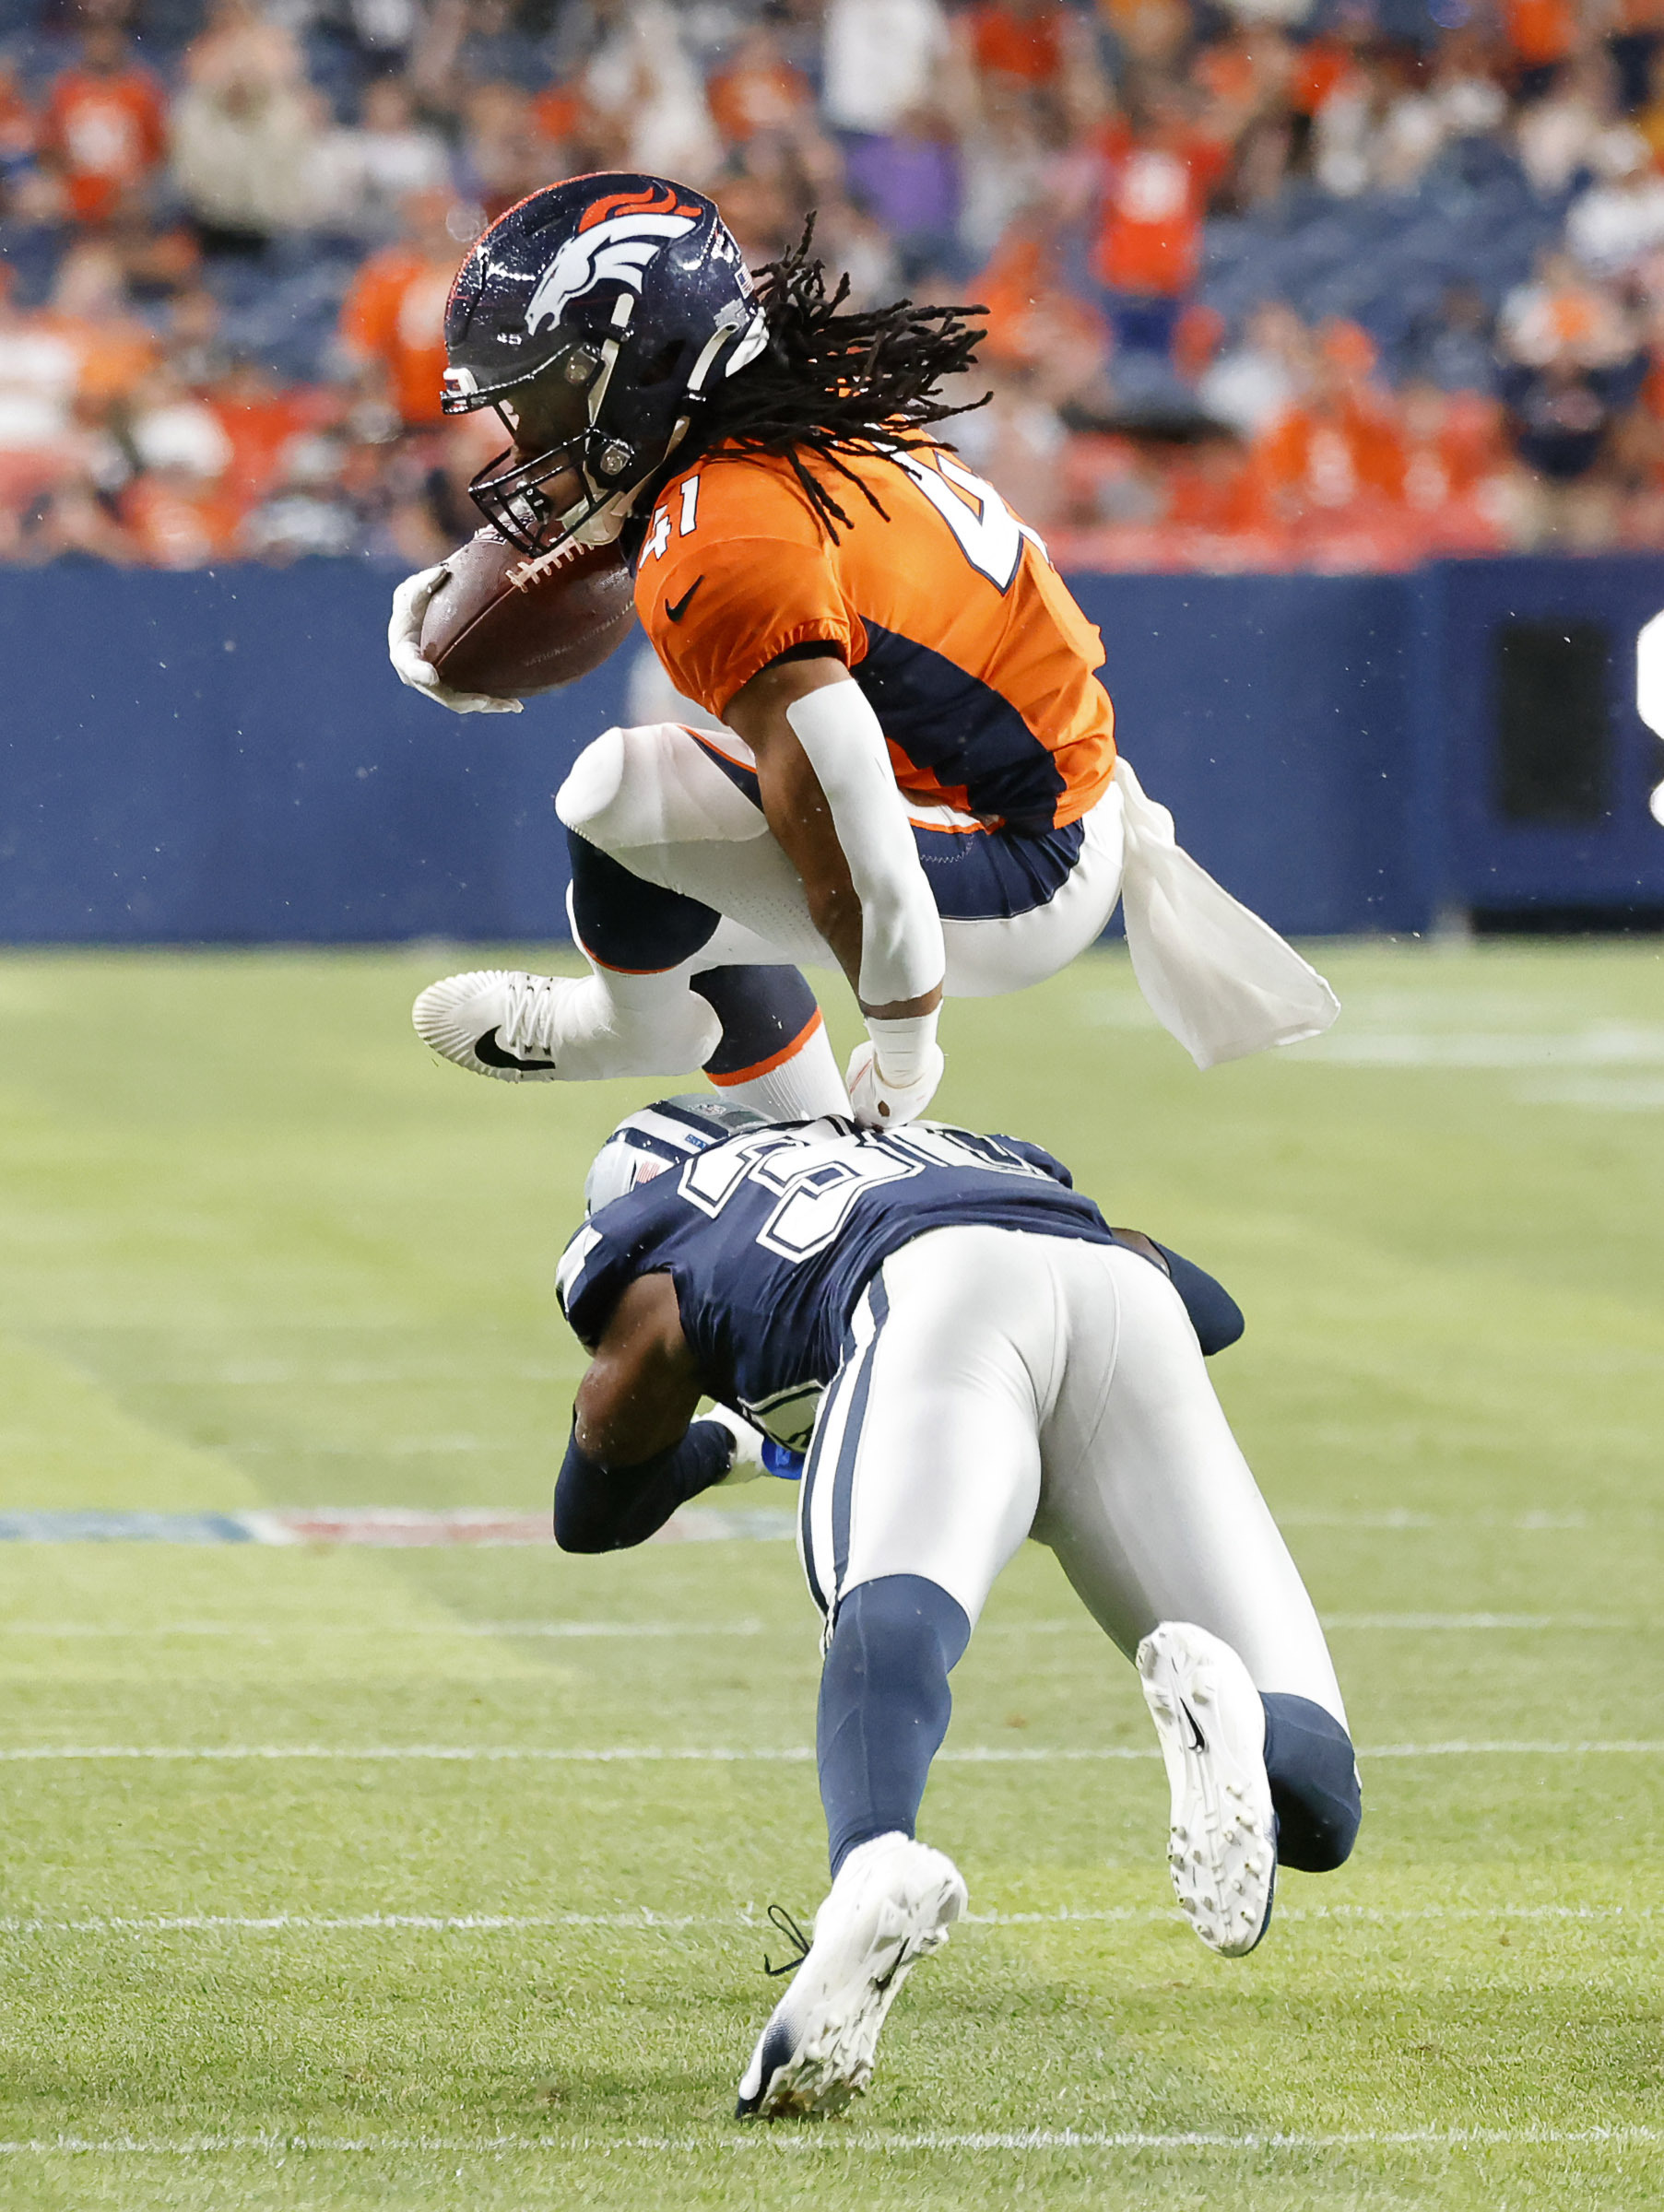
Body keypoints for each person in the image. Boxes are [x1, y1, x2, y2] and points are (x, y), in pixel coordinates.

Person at [389, 171, 1337, 1129]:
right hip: (1025, 781)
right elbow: (708, 535)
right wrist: (468, 591)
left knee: (626, 791)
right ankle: (782, 1124)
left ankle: (635, 1026)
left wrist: (898, 1060)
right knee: (696, 840)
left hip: (1019, 857)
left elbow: (852, 839)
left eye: (545, 396)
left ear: (637, 364)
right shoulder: (789, 408)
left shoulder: (726, 534)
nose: (522, 440)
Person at [553, 1095, 1363, 2118]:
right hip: (1116, 1296)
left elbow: (596, 1502)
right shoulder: (947, 1149)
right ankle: (1242, 1721)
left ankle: (875, 1862)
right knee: (1318, 1801)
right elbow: (1211, 1308)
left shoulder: (667, 1234)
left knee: (888, 1611)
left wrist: (718, 1438)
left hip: (933, 1297)